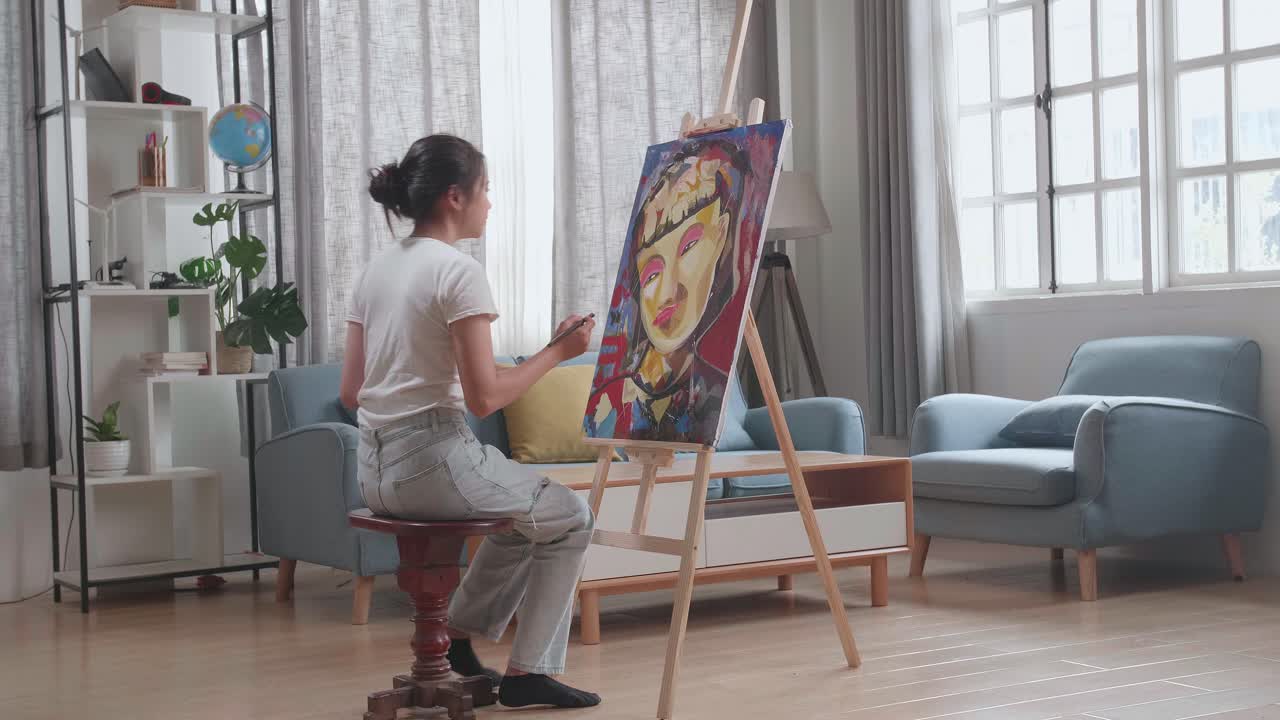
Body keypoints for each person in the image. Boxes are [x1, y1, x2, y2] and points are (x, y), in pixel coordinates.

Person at [340, 134, 601, 709]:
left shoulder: (375, 271)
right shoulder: (458, 272)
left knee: (522, 518)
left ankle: (458, 638)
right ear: (455, 197)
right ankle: (530, 672)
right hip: (434, 464)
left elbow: (351, 391)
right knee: (571, 517)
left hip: (374, 472)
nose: (490, 203)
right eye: (485, 190)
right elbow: (485, 400)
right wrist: (560, 351)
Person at [585, 138, 752, 443]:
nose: (668, 291)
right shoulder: (605, 405)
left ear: (720, 235)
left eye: (688, 247)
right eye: (651, 274)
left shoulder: (715, 395)